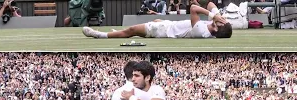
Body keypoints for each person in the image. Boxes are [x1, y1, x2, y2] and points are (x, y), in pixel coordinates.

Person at [82, 4, 231, 38]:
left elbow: (193, 8)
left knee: (132, 30)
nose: (221, 20)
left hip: (163, 31)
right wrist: (217, 15)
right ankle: (120, 33)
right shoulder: (213, 28)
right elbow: (211, 4)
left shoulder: (202, 31)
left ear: (217, 29)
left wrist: (213, 16)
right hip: (168, 25)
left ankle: (99, 35)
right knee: (155, 19)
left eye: (221, 23)